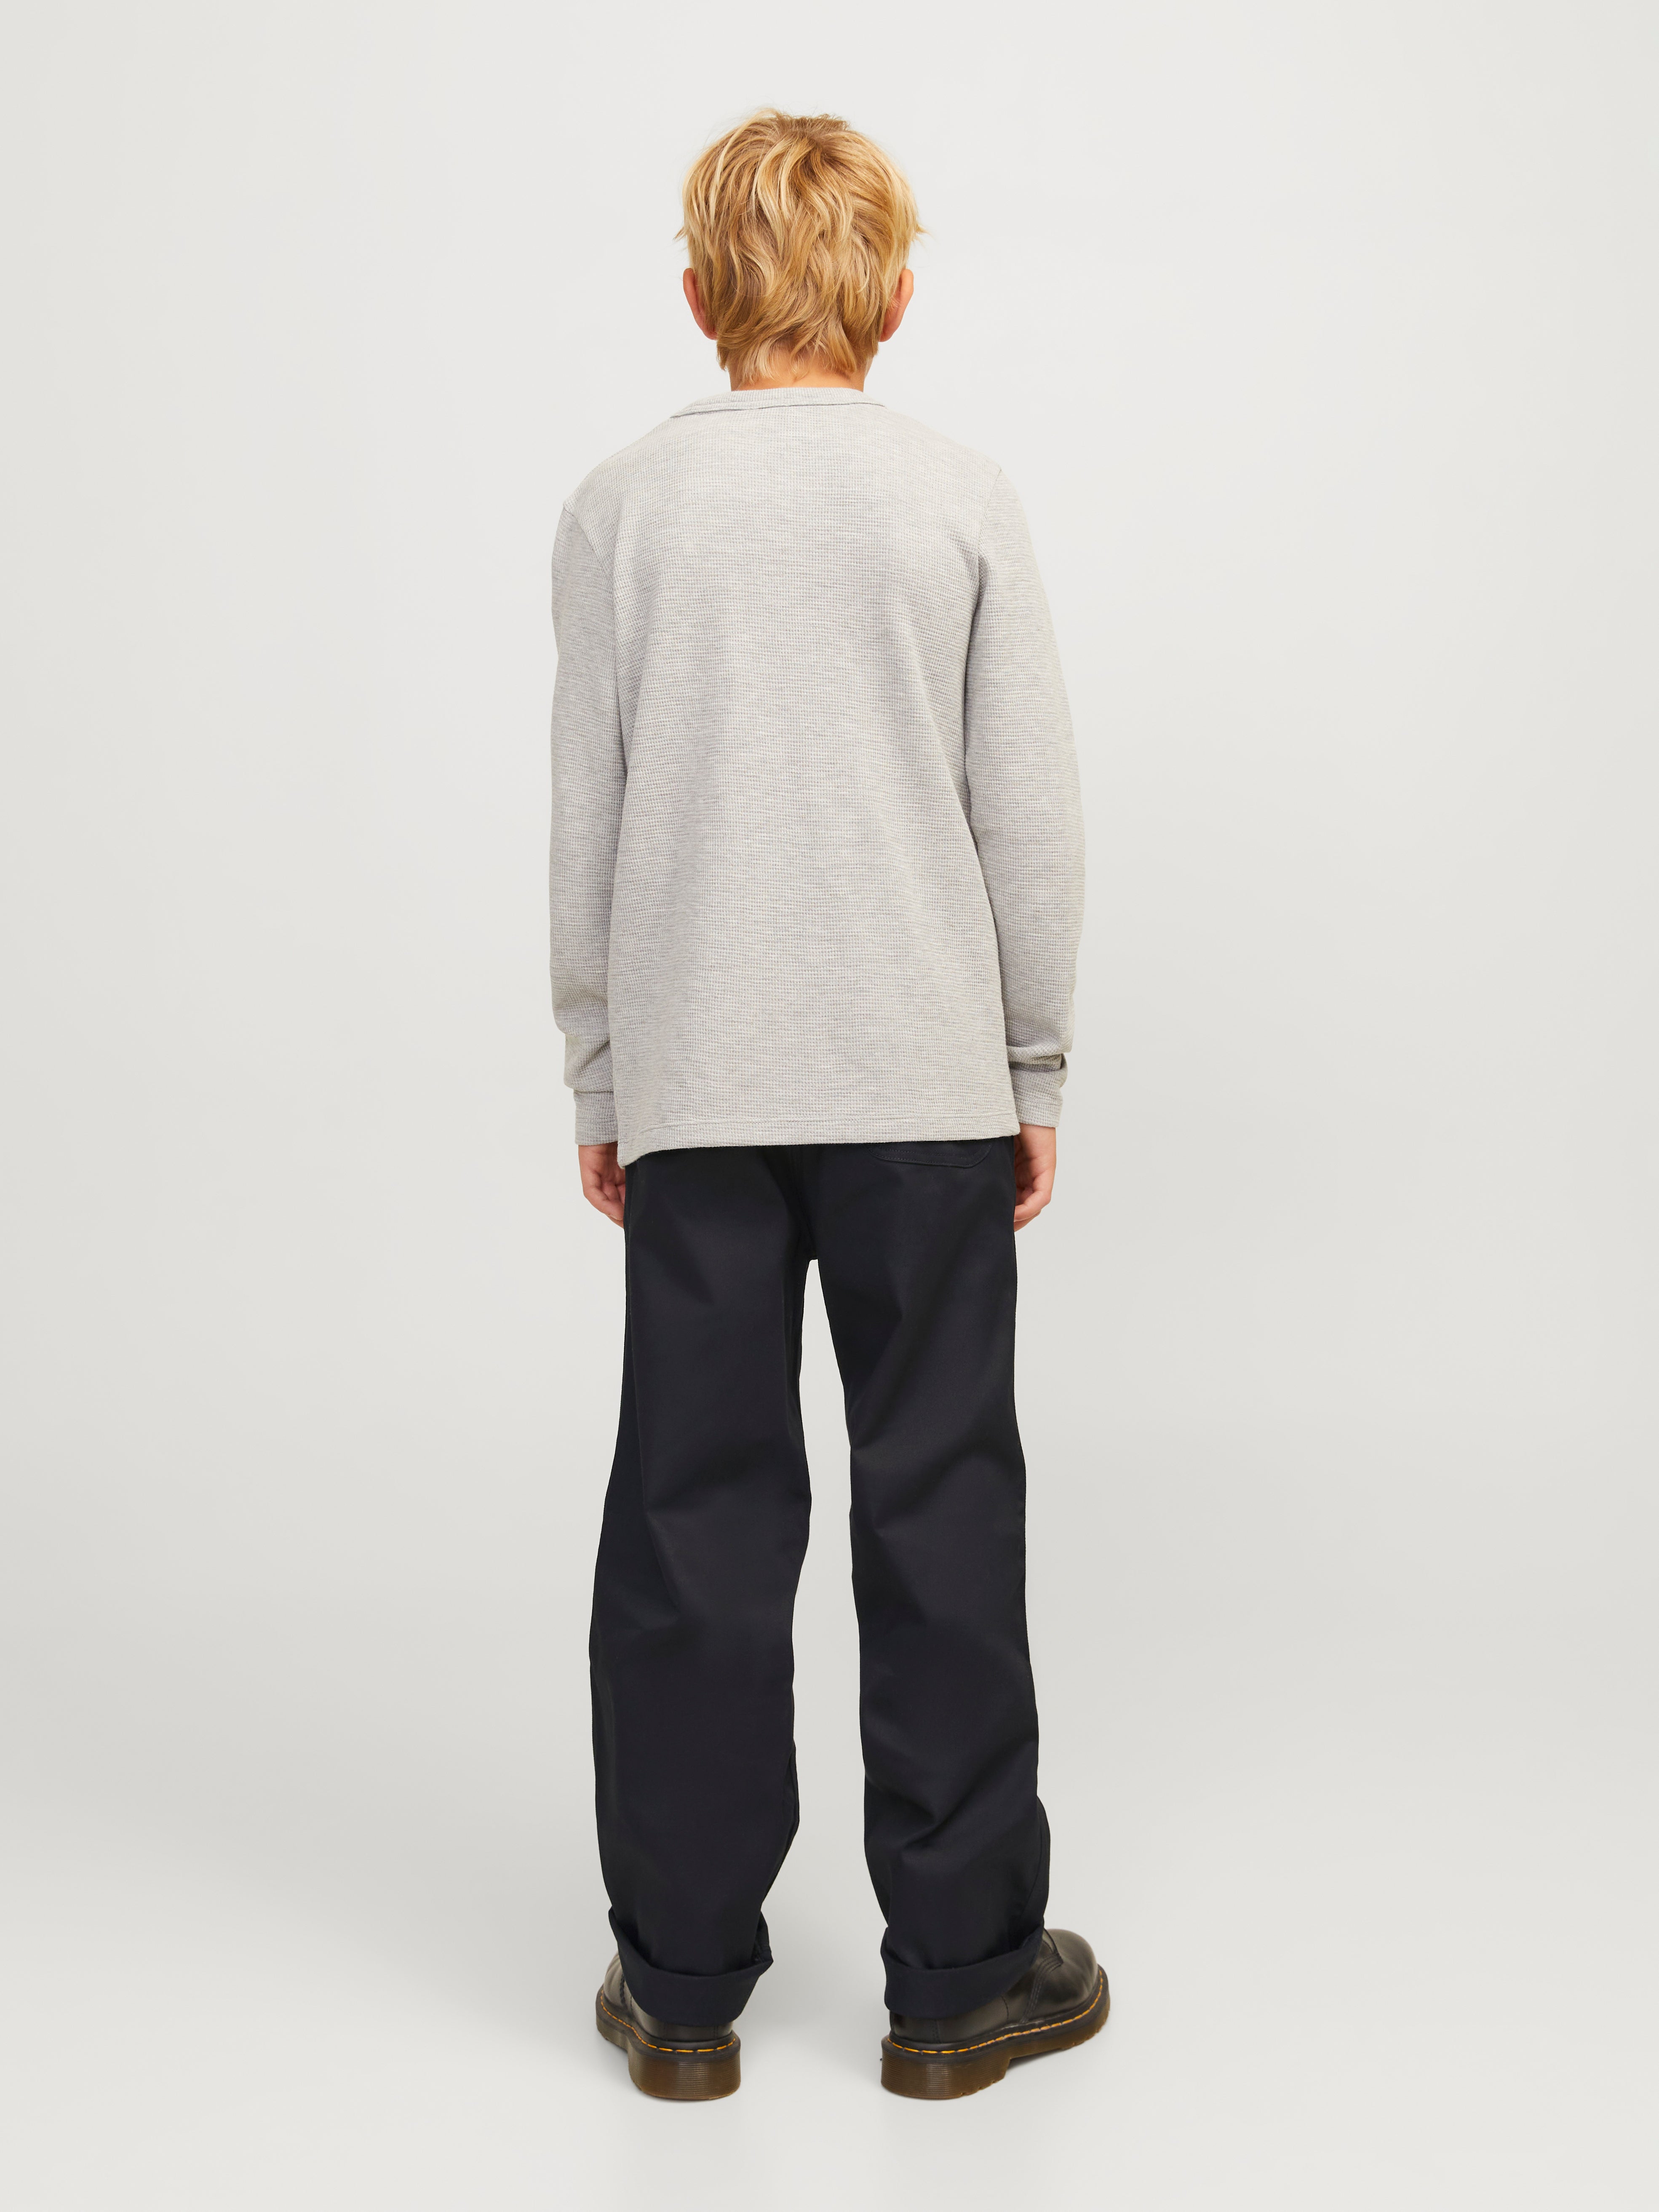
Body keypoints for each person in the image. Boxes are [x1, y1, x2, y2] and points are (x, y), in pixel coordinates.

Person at [549, 109, 1102, 2102]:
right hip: (918, 1081)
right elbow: (1025, 813)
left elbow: (590, 812)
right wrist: (1027, 1062)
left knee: (691, 1514)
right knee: (937, 1499)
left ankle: (680, 1981)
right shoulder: (956, 497)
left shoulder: (624, 508)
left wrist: (605, 1070)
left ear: (699, 290)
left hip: (702, 1079)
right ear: (898, 294)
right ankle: (960, 1976)